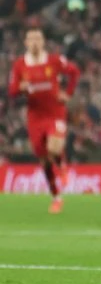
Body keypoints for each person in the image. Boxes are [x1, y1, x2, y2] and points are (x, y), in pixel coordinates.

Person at [7, 27, 80, 213]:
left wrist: (68, 93)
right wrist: (21, 87)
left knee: (54, 147)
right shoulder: (20, 65)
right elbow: (12, 91)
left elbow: (74, 72)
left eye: (38, 39)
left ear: (43, 42)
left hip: (55, 112)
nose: (34, 42)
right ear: (26, 43)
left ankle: (62, 166)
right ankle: (56, 197)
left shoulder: (54, 61)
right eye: (31, 39)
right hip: (35, 116)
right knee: (44, 160)